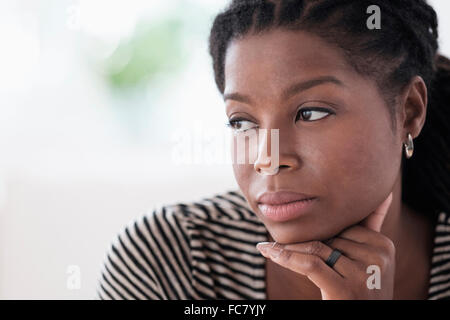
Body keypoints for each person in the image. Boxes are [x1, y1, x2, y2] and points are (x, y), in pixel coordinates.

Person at [96, 0, 450, 300]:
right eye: (242, 122)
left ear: (409, 111)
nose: (267, 158)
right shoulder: (169, 262)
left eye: (310, 113)